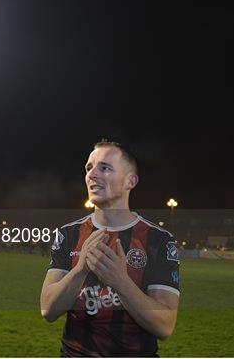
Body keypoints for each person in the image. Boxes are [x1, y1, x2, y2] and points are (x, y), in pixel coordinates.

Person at [40, 140, 180, 356]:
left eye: (104, 168)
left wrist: (120, 282)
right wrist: (80, 270)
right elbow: (48, 310)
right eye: (89, 168)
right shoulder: (69, 234)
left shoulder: (158, 240)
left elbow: (164, 326)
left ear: (130, 181)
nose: (92, 175)